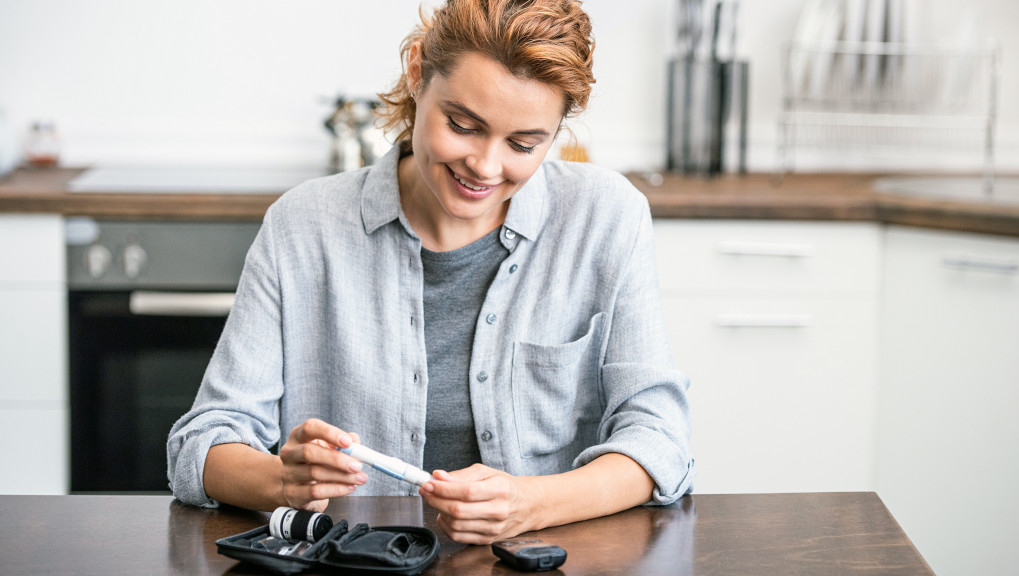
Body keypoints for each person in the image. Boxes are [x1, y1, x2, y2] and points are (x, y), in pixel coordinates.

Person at [167, 0, 695, 544]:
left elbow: (659, 437)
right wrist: (282, 479)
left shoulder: (606, 217)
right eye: (464, 126)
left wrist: (531, 505)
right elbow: (201, 444)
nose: (486, 168)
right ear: (418, 72)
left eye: (523, 144)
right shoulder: (302, 227)